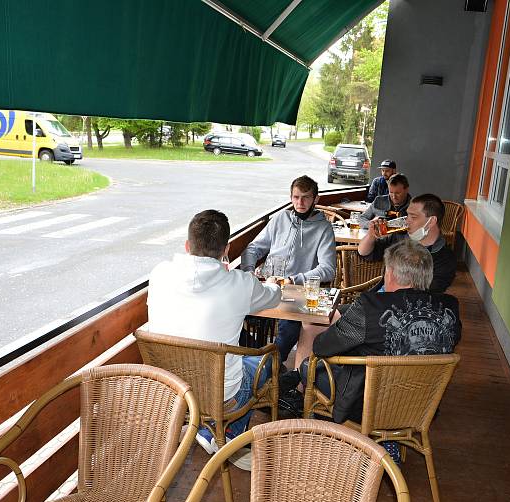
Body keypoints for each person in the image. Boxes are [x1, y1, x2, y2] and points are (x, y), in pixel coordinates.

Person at [147, 209, 281, 469]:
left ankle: (210, 432)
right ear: (226, 249)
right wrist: (273, 283)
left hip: (170, 389)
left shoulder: (160, 273)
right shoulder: (240, 283)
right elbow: (272, 297)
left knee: (234, 360)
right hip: (220, 396)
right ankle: (226, 435)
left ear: (187, 245)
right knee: (267, 362)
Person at [304, 239, 462, 427]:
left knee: (308, 367)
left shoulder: (370, 306)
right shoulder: (450, 307)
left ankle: (337, 436)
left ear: (391, 273)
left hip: (367, 405)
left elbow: (322, 347)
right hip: (421, 404)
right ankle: (391, 439)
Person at [241, 176, 336, 363]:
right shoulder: (280, 218)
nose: (300, 202)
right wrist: (248, 272)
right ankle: (259, 359)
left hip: (296, 290)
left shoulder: (324, 228)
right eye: (296, 197)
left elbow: (328, 268)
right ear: (291, 197)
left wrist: (295, 279)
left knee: (290, 325)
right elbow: (253, 248)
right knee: (235, 312)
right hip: (268, 283)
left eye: (306, 197)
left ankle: (272, 363)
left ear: (316, 199)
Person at [358, 193, 456, 294]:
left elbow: (426, 296)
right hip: (378, 296)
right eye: (407, 215)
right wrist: (371, 236)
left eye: (413, 217)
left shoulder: (445, 258)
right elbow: (364, 253)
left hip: (399, 306)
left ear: (431, 221)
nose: (407, 221)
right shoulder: (399, 237)